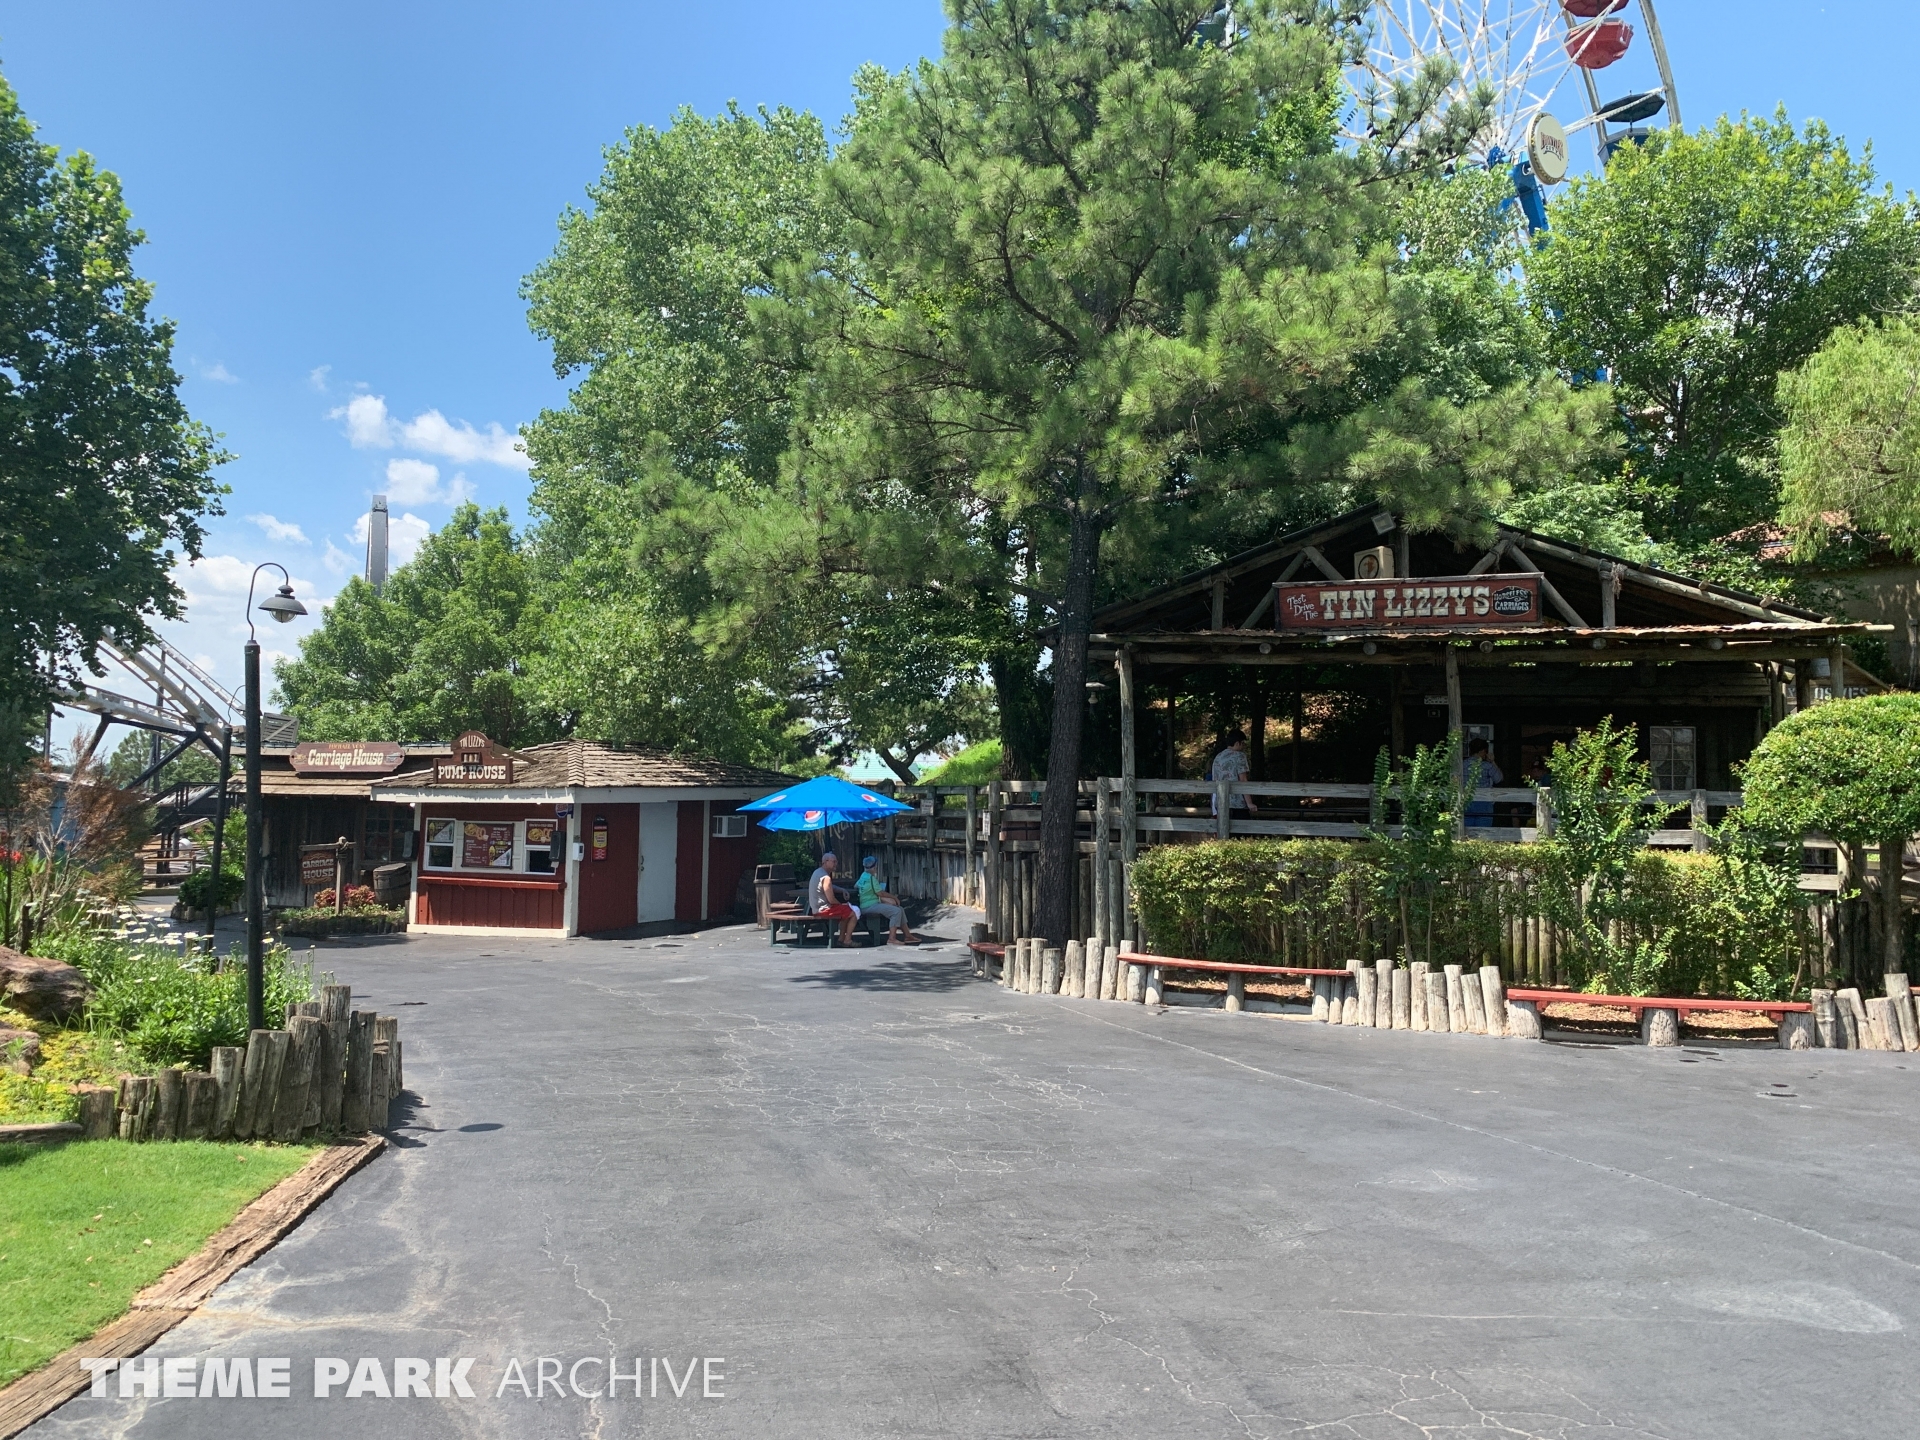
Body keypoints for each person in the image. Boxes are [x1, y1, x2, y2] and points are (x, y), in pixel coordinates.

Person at [857, 856, 918, 945]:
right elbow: (880, 893)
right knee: (896, 911)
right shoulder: (871, 878)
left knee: (900, 909)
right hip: (870, 906)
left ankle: (908, 936)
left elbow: (856, 885)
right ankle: (892, 938)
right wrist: (894, 897)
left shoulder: (863, 876)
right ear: (874, 867)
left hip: (867, 905)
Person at [808, 850, 860, 946]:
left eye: (836, 861)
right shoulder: (826, 878)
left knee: (846, 910)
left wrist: (842, 890)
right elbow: (831, 900)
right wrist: (841, 905)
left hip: (815, 908)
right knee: (853, 912)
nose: (836, 864)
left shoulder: (817, 872)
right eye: (834, 861)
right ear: (826, 862)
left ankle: (841, 939)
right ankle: (847, 940)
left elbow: (829, 887)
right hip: (823, 909)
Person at [1208, 729, 1261, 818]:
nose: (1243, 746)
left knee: (1223, 826)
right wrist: (1249, 803)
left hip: (1220, 802)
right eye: (1242, 743)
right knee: (1242, 826)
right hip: (1237, 803)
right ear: (1237, 743)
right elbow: (1243, 780)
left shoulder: (1218, 757)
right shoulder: (1239, 756)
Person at [1465, 736, 1503, 828]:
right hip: (1483, 802)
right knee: (1483, 832)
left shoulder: (1462, 765)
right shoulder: (1487, 766)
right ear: (1482, 751)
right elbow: (1499, 778)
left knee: (1466, 831)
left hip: (1466, 800)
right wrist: (1492, 761)